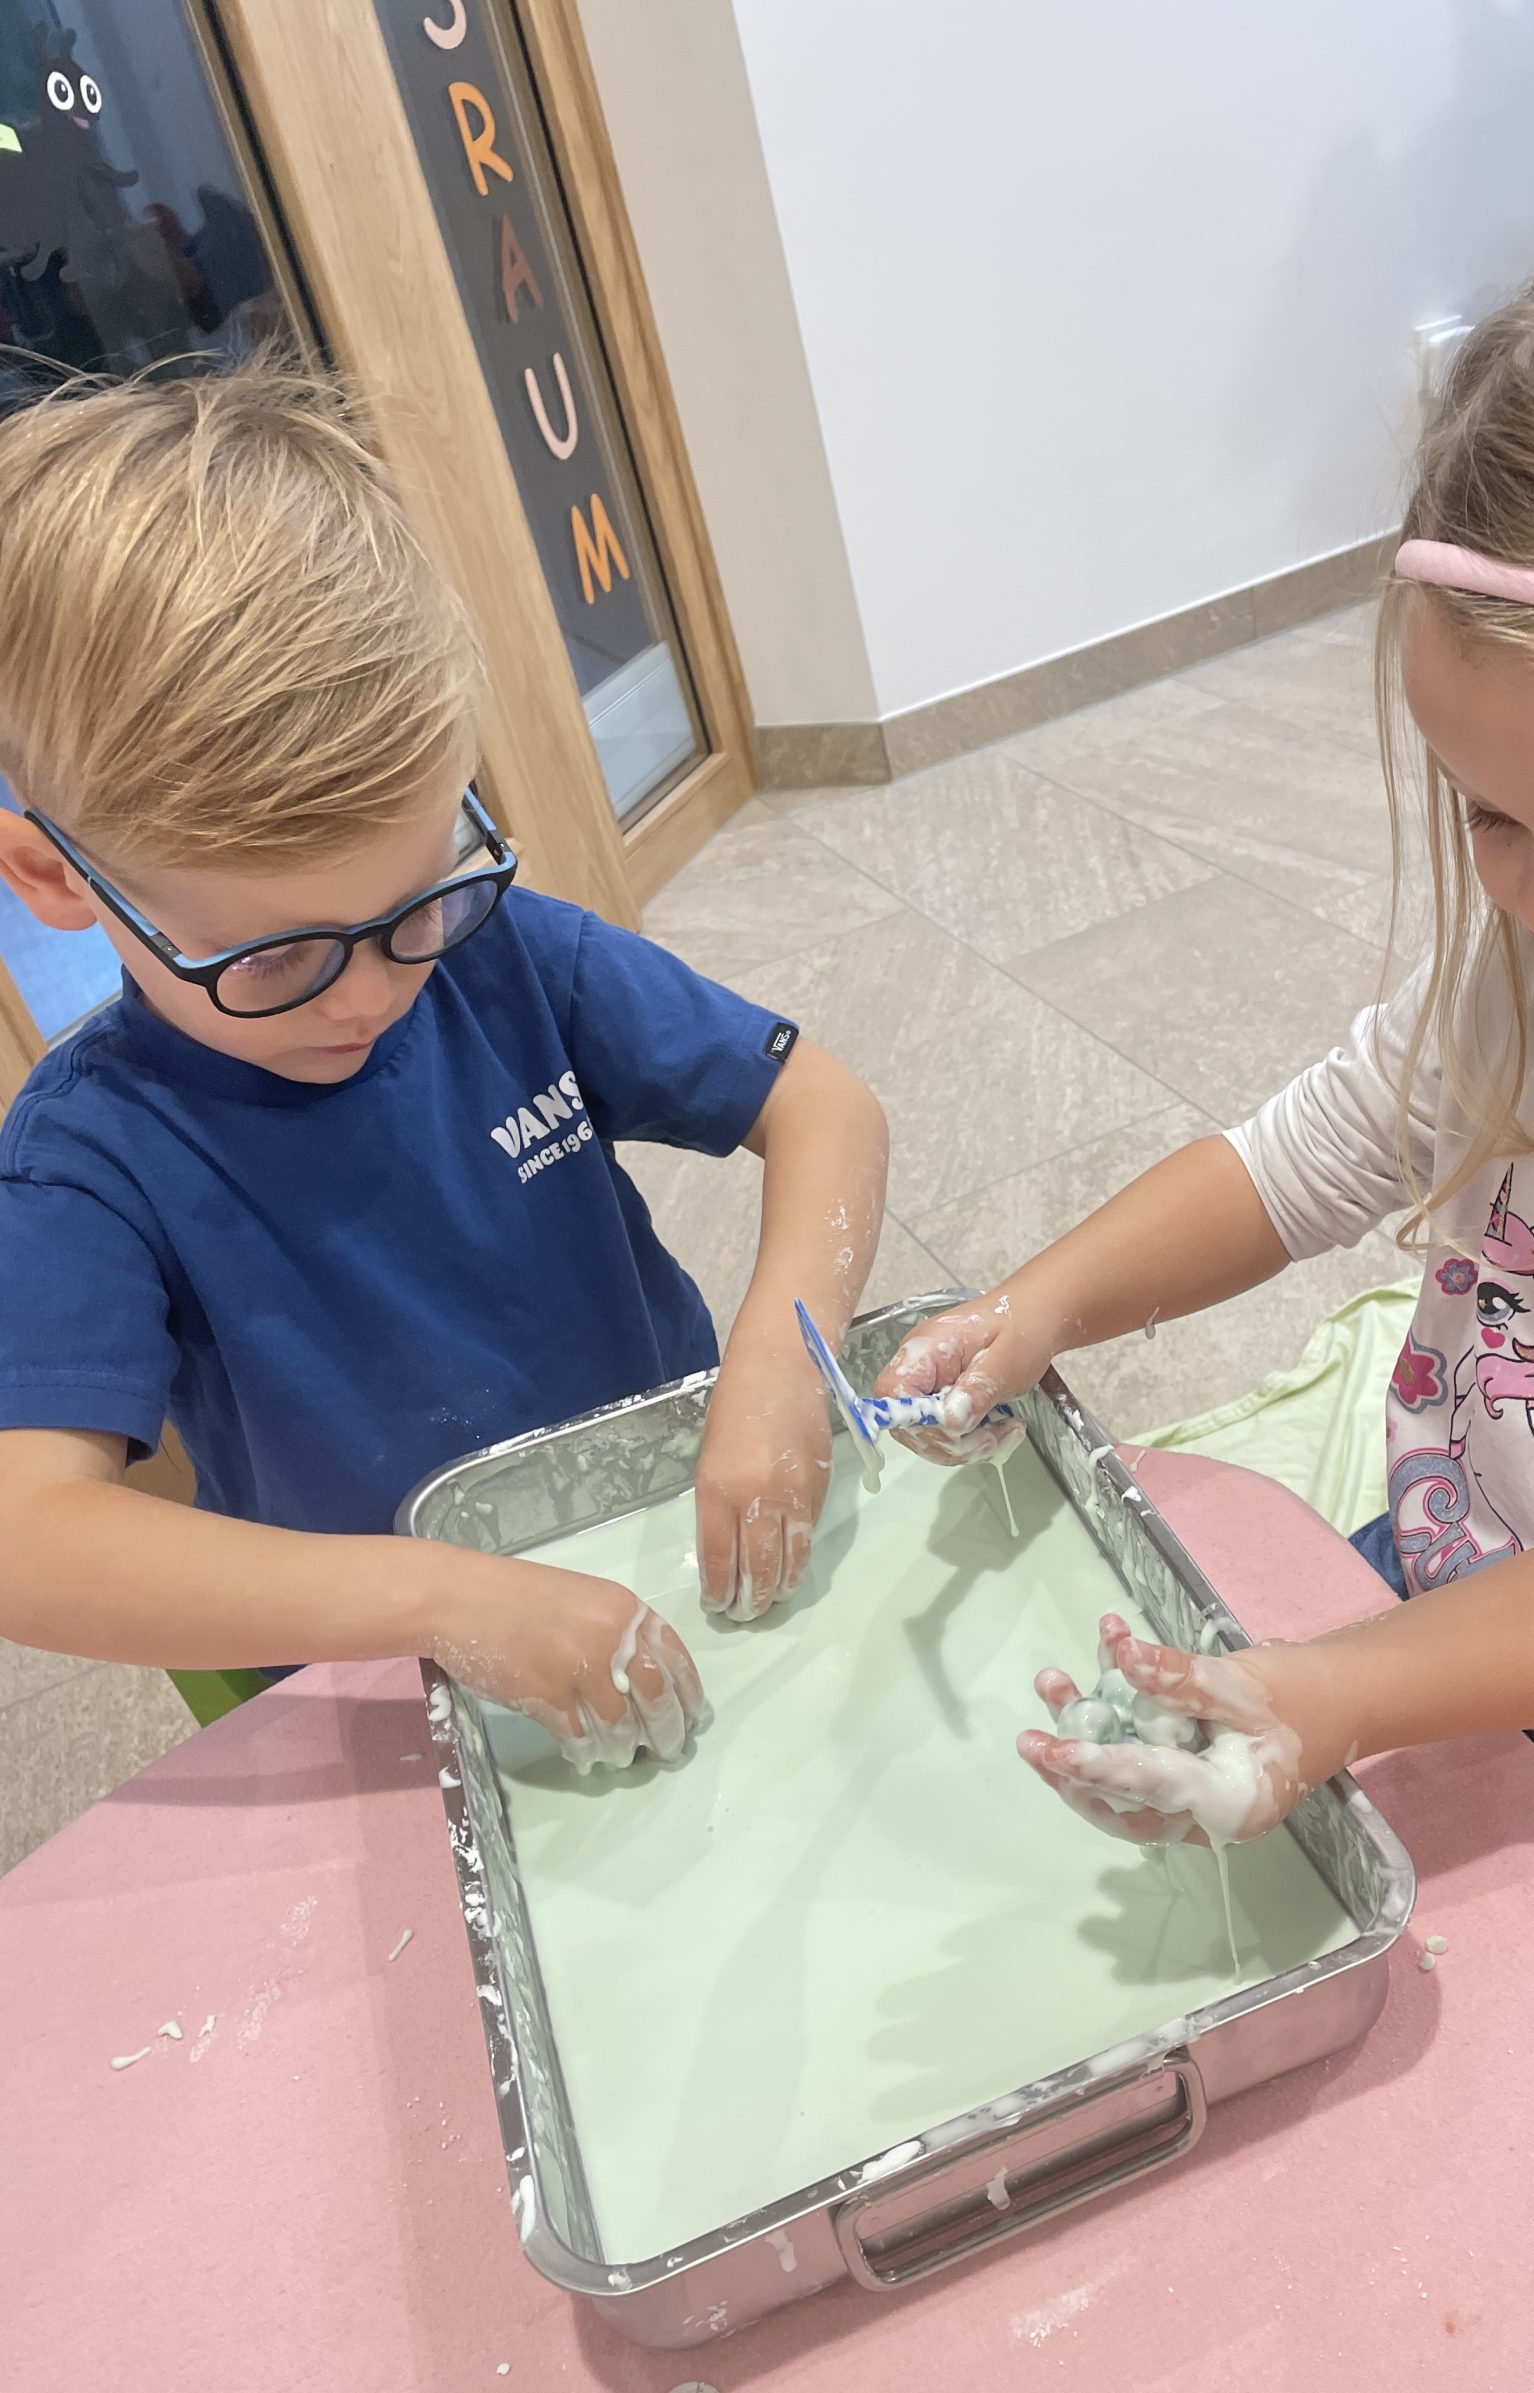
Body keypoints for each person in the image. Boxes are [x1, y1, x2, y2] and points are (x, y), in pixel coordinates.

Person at [877, 191, 1534, 2043]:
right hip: (1467, 1585)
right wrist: (1047, 1302)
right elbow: (1306, 1155)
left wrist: (1345, 1694)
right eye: (1491, 820)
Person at [0, 363, 888, 1766]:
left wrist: (785, 1359)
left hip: (668, 1534)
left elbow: (824, 1106)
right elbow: (28, 1541)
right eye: (274, 958)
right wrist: (441, 1599)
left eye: (420, 900)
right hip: (408, 1673)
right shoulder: (87, 1163)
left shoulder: (507, 958)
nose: (372, 993)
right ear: (57, 878)